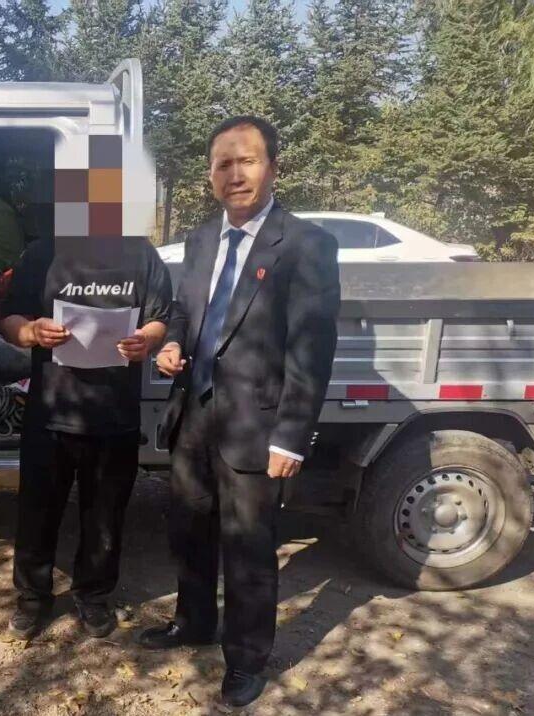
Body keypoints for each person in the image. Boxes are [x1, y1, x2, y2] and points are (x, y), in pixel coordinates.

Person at [139, 116, 340, 708]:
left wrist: (291, 437)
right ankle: (194, 622)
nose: (235, 174)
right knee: (189, 529)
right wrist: (173, 343)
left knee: (249, 546)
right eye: (223, 163)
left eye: (247, 160)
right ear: (210, 175)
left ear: (273, 167)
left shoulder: (305, 245)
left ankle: (247, 659)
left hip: (257, 423)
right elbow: (184, 310)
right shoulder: (202, 239)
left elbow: (312, 348)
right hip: (194, 414)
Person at [0, 233, 172, 639]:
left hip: (116, 415)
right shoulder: (43, 251)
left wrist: (147, 340)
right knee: (37, 514)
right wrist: (31, 331)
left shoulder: (140, 253)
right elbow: (8, 320)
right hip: (51, 412)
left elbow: (160, 318)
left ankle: (93, 596)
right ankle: (32, 598)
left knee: (105, 516)